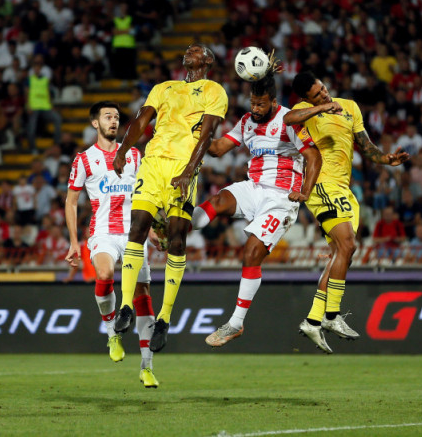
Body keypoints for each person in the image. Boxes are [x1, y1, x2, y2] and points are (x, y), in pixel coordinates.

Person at [111, 43, 228, 353]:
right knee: (137, 228)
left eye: (196, 49)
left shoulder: (214, 90)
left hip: (182, 167)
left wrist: (189, 171)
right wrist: (123, 149)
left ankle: (163, 318)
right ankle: (125, 306)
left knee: (176, 240)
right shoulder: (163, 87)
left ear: (207, 60)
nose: (189, 50)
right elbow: (141, 120)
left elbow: (207, 135)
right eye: (187, 48)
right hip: (153, 165)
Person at [191, 71, 321, 347]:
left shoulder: (288, 120)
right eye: (252, 103)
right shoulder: (246, 121)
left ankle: (235, 323)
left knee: (251, 252)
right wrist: (197, 134)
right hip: (254, 187)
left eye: (261, 104)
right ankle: (176, 229)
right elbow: (217, 149)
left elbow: (313, 156)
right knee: (217, 201)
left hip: (281, 197)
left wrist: (306, 191)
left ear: (273, 102)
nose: (255, 108)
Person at [285, 71, 410, 353]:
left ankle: (313, 320)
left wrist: (386, 159)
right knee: (348, 244)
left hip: (344, 190)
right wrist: (320, 108)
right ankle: (331, 316)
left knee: (342, 254)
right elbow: (287, 119)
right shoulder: (304, 111)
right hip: (321, 184)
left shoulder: (350, 107)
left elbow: (366, 146)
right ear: (307, 99)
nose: (324, 94)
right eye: (317, 95)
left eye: (323, 89)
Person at [65, 101, 160, 388]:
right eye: (107, 116)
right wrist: (73, 242)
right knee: (105, 274)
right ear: (95, 123)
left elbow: (146, 194)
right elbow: (71, 202)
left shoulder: (134, 155)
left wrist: (153, 228)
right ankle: (112, 334)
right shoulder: (84, 160)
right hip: (103, 232)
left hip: (135, 234)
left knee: (142, 293)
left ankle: (147, 366)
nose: (113, 121)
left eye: (117, 117)